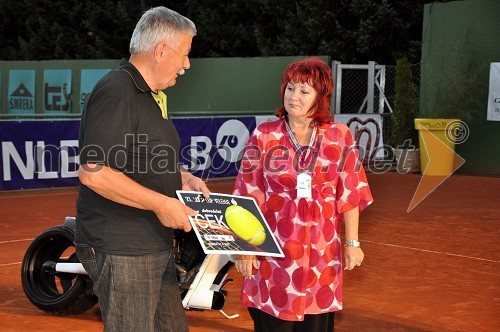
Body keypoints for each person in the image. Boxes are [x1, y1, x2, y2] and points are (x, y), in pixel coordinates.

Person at [75, 7, 209, 331]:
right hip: (124, 249)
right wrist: (163, 204)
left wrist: (183, 178)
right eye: (185, 54)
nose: (187, 65)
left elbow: (141, 161)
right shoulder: (118, 91)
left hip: (152, 244)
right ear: (161, 51)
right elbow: (94, 171)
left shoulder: (149, 96)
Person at [233, 57, 373, 331]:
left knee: (316, 324)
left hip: (322, 256)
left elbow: (351, 193)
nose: (293, 96)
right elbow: (247, 193)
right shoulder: (265, 135)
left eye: (304, 91)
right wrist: (246, 247)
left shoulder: (339, 136)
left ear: (320, 97)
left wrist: (352, 244)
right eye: (290, 88)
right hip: (273, 253)